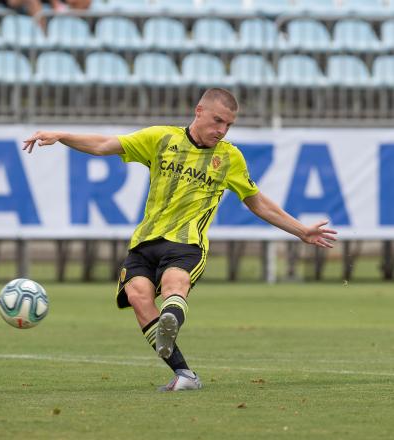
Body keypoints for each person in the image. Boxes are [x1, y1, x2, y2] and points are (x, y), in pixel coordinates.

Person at [23, 88, 338, 391]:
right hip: (145, 241)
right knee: (138, 296)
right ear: (199, 111)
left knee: (175, 287)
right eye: (218, 121)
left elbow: (257, 202)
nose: (222, 130)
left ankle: (169, 322)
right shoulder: (162, 138)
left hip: (187, 244)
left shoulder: (229, 158)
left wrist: (301, 230)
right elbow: (106, 143)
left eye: (229, 124)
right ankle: (184, 373)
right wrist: (62, 136)